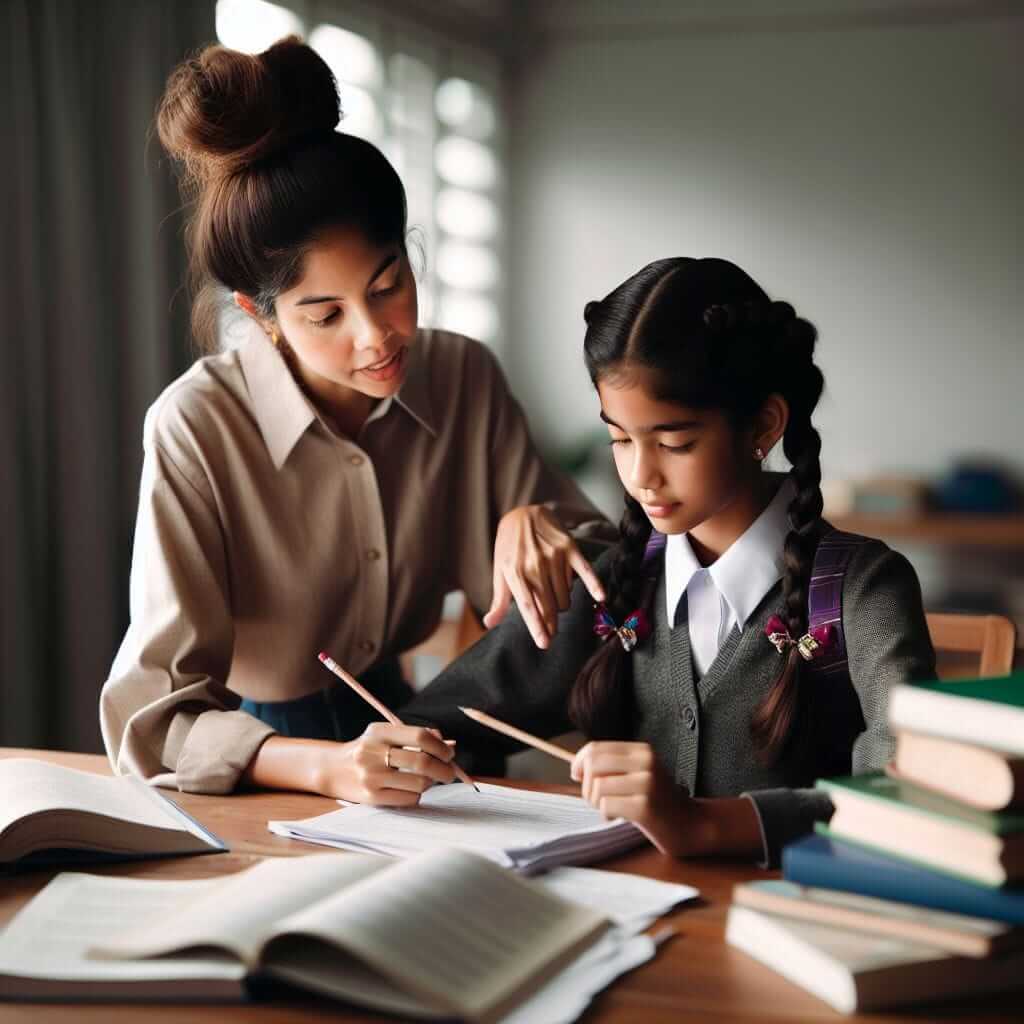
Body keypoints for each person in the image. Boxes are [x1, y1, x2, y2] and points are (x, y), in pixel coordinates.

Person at [100, 36, 613, 803]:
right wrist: (326, 766)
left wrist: (538, 523)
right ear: (260, 315)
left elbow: (596, 582)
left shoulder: (461, 375)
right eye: (325, 314)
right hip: (266, 769)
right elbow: (150, 721)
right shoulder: (196, 427)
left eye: (388, 285)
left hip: (430, 738)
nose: (375, 337)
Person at [402, 256, 936, 866]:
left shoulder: (862, 590)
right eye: (620, 439)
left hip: (789, 930)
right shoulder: (614, 579)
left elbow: (909, 791)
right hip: (623, 920)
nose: (639, 476)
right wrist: (390, 752)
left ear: (763, 424)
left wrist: (706, 825)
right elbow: (436, 726)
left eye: (675, 443)